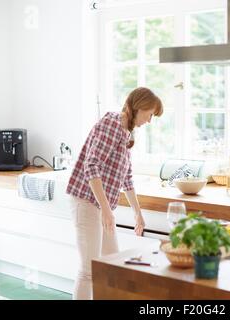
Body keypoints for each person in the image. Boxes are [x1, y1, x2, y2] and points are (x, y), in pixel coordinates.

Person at [66, 87, 163, 299]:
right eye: (149, 114)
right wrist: (107, 209)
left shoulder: (126, 132)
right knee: (89, 270)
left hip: (100, 205)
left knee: (112, 265)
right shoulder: (112, 124)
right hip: (86, 201)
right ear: (139, 107)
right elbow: (91, 166)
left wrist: (138, 212)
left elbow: (126, 177)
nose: (149, 120)